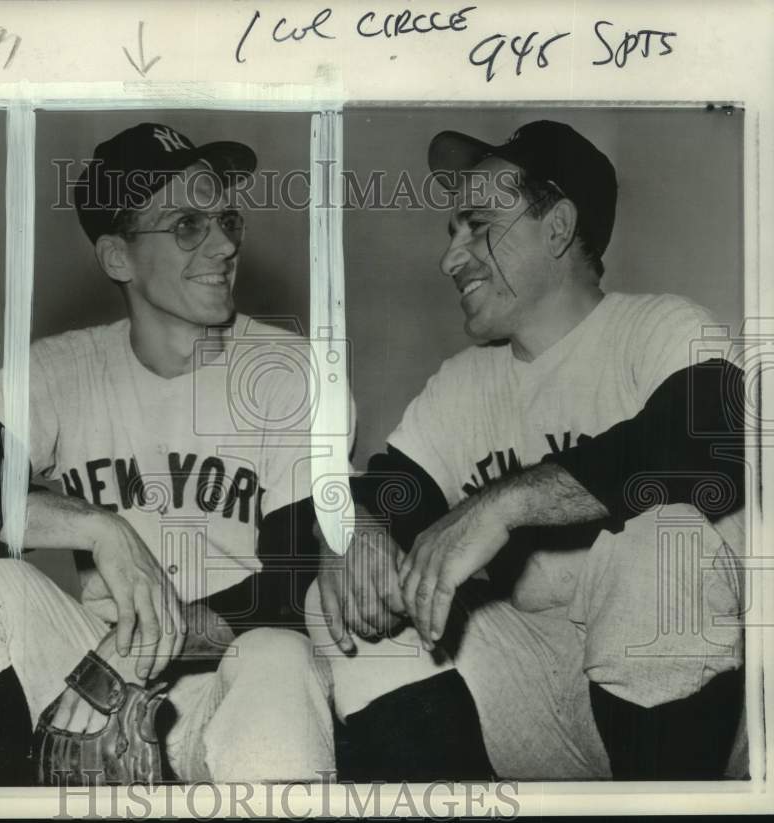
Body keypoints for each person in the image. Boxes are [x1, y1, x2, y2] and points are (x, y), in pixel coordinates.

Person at [308, 120, 746, 781]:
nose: (450, 258)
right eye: (451, 231)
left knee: (659, 537)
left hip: (691, 700)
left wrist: (500, 506)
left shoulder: (659, 326)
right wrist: (350, 521)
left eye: (478, 224)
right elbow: (392, 490)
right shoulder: (463, 383)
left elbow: (714, 437)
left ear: (558, 225)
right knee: (343, 593)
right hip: (539, 691)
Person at [0, 122, 333, 786]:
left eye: (227, 219)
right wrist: (97, 527)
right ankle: (20, 788)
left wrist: (133, 651)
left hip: (225, 674)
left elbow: (298, 578)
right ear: (119, 259)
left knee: (279, 655)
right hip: (91, 661)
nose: (225, 244)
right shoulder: (64, 368)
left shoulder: (288, 370)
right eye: (188, 226)